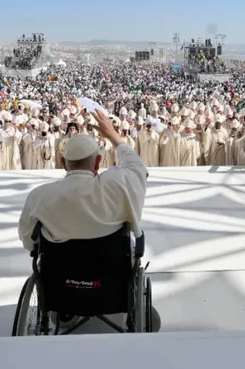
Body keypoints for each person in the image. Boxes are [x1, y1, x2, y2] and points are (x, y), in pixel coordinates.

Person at [18, 108, 159, 331]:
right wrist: (114, 136)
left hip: (61, 285)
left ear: (63, 163)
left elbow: (29, 239)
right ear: (98, 162)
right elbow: (137, 168)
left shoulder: (40, 196)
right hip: (112, 284)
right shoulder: (117, 185)